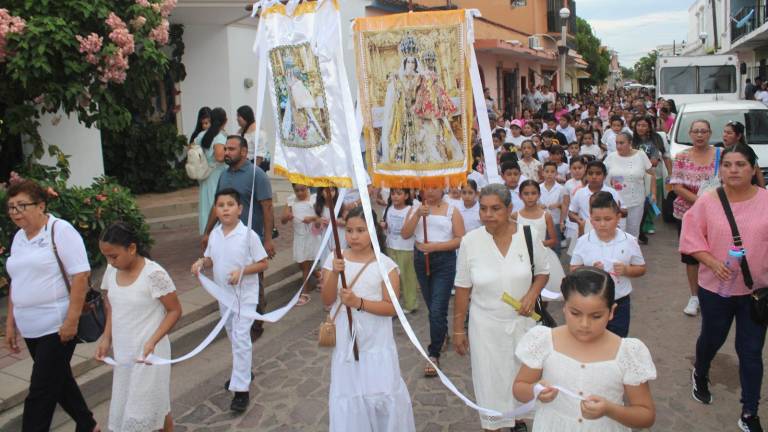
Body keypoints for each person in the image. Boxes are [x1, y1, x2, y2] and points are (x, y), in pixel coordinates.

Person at [680, 144, 768, 432]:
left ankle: (749, 412)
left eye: (741, 164)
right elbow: (691, 237)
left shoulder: (766, 201)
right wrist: (712, 261)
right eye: (728, 164)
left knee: (751, 352)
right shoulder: (708, 201)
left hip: (757, 293)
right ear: (721, 170)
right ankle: (701, 372)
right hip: (716, 290)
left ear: (753, 168)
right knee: (712, 339)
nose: (733, 170)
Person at [4, 179, 99, 432]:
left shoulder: (60, 230)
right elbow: (17, 281)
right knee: (59, 380)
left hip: (56, 325)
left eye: (22, 206)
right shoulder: (19, 238)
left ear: (41, 206)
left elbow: (80, 276)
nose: (16, 212)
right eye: (11, 207)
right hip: (30, 326)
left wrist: (71, 320)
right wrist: (10, 323)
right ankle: (88, 424)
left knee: (40, 392)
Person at [453, 183, 550, 432]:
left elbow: (542, 273)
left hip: (524, 324)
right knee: (490, 381)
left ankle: (519, 421)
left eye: (495, 208)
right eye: (483, 209)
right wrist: (458, 329)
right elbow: (462, 288)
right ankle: (493, 425)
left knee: (521, 377)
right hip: (484, 326)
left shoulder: (528, 235)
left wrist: (531, 294)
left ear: (509, 209)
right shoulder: (470, 242)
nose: (488, 214)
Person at [513, 267, 657, 431]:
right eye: (575, 313)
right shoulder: (544, 341)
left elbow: (646, 415)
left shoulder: (627, 353)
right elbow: (519, 388)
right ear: (565, 307)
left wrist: (610, 410)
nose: (584, 324)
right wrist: (535, 390)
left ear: (611, 312)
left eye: (596, 316)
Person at [321, 207, 416, 432]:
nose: (354, 236)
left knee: (381, 393)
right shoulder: (335, 259)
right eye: (350, 230)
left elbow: (391, 307)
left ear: (373, 231)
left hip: (376, 340)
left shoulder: (385, 265)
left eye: (361, 230)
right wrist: (334, 272)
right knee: (350, 393)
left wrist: (359, 303)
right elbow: (326, 299)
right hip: (346, 339)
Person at [96, 222, 182, 432]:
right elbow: (112, 306)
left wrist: (152, 341)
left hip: (149, 355)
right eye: (106, 256)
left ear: (132, 248)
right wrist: (106, 338)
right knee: (156, 407)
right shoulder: (111, 271)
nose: (110, 261)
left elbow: (175, 311)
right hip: (125, 354)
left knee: (140, 413)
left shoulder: (154, 274)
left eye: (114, 256)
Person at [192, 188, 269, 413]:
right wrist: (200, 263)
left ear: (240, 209)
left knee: (241, 336)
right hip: (223, 296)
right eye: (221, 205)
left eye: (230, 204)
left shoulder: (248, 236)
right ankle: (243, 372)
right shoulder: (215, 234)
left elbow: (263, 263)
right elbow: (210, 259)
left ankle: (241, 391)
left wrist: (242, 271)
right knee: (233, 337)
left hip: (244, 297)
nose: (225, 208)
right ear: (215, 210)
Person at [203, 135, 275, 340]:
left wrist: (268, 239)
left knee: (254, 282)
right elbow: (215, 205)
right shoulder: (223, 176)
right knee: (230, 277)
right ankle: (235, 316)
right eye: (226, 149)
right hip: (226, 237)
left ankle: (254, 322)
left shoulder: (257, 175)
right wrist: (208, 232)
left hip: (251, 238)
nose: (227, 153)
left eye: (232, 149)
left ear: (244, 152)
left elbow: (267, 207)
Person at [401, 187, 465, 376]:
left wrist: (436, 246)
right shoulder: (415, 209)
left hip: (444, 261)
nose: (429, 191)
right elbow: (405, 234)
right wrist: (418, 215)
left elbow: (460, 238)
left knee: (437, 308)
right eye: (425, 187)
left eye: (434, 187)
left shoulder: (451, 210)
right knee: (432, 306)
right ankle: (442, 332)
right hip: (421, 260)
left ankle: (433, 353)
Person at [570, 192, 646, 337]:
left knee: (618, 340)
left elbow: (641, 268)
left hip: (619, 302)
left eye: (608, 219)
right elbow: (573, 269)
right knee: (591, 339)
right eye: (597, 219)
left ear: (618, 218)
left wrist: (626, 270)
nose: (602, 224)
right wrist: (590, 271)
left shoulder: (629, 240)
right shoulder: (583, 241)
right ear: (590, 220)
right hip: (590, 302)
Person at [670, 120, 718, 317]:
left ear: (709, 133)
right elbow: (677, 186)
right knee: (692, 257)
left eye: (703, 131)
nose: (700, 135)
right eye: (696, 131)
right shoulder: (682, 157)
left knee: (716, 253)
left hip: (717, 215)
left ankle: (714, 293)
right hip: (688, 215)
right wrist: (701, 201)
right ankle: (694, 296)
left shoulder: (720, 155)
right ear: (690, 134)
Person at [514, 180, 566, 297]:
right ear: (520, 196)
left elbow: (553, 240)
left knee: (544, 293)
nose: (530, 197)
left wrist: (538, 243)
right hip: (521, 257)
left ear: (539, 195)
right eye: (526, 194)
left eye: (533, 193)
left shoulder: (545, 215)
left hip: (543, 257)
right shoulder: (515, 216)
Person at [604, 132, 656, 239]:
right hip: (615, 203)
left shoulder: (640, 155)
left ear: (630, 143)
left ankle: (632, 255)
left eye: (622, 143)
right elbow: (602, 174)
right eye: (617, 143)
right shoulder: (611, 157)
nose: (618, 146)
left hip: (636, 202)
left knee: (633, 233)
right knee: (617, 233)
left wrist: (653, 193)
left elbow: (651, 174)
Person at [280, 183, 321, 305]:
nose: (299, 193)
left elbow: (321, 217)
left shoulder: (313, 199)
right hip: (299, 236)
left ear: (307, 188)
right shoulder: (291, 200)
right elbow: (282, 221)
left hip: (312, 236)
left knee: (305, 266)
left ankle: (305, 293)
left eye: (302, 190)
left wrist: (312, 218)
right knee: (301, 263)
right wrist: (287, 217)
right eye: (296, 190)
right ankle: (319, 275)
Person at [381, 188, 419, 314]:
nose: (395, 196)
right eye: (393, 194)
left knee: (407, 277)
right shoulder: (388, 209)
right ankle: (394, 302)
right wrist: (383, 225)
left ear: (406, 195)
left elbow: (412, 228)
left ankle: (411, 303)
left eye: (399, 194)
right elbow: (386, 225)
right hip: (391, 246)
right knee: (393, 276)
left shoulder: (410, 210)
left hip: (406, 248)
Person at [568, 160, 624, 237]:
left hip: (608, 232)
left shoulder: (612, 192)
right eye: (590, 173)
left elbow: (624, 212)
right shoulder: (580, 193)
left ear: (604, 176)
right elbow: (571, 213)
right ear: (586, 175)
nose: (594, 177)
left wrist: (617, 210)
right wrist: (578, 220)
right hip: (586, 232)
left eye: (598, 174)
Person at [197, 107, 228, 235]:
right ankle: (217, 234)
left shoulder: (202, 135)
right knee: (216, 203)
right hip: (217, 174)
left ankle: (207, 233)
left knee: (206, 205)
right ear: (224, 121)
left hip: (205, 175)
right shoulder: (219, 136)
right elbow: (219, 156)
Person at [721, 121, 766, 187]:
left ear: (739, 136)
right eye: (724, 132)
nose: (725, 135)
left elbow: (758, 172)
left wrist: (764, 191)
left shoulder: (746, 150)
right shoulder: (718, 149)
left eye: (729, 133)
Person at [540, 162, 567, 256]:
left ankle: (557, 267)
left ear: (556, 173)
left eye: (552, 171)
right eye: (547, 171)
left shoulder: (561, 188)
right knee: (543, 247)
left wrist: (558, 204)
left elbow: (565, 205)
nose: (549, 174)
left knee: (556, 247)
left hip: (555, 221)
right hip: (541, 222)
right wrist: (538, 206)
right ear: (542, 173)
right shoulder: (538, 188)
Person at [237, 105, 269, 170]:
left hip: (255, 166)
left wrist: (253, 171)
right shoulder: (241, 131)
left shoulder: (258, 133)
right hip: (245, 164)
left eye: (239, 116)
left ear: (246, 116)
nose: (237, 119)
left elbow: (259, 155)